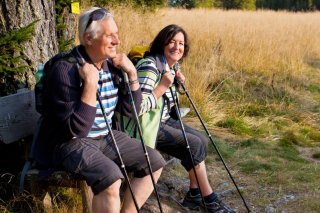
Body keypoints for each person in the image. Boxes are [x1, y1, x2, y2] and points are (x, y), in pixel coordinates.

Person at [33, 7, 166, 213]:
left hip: (105, 137)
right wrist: (90, 86)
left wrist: (132, 74)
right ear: (88, 38)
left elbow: (131, 111)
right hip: (69, 143)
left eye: (117, 35)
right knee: (111, 179)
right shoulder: (65, 70)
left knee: (155, 162)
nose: (117, 41)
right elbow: (76, 130)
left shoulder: (111, 66)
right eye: (110, 36)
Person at [122, 24, 235, 213]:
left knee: (200, 139)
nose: (177, 47)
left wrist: (176, 85)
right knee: (193, 144)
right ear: (162, 44)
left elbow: (167, 106)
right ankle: (209, 200)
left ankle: (194, 194)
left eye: (181, 43)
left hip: (161, 120)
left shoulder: (169, 66)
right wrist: (163, 87)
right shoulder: (150, 67)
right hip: (144, 128)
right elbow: (137, 107)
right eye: (172, 42)